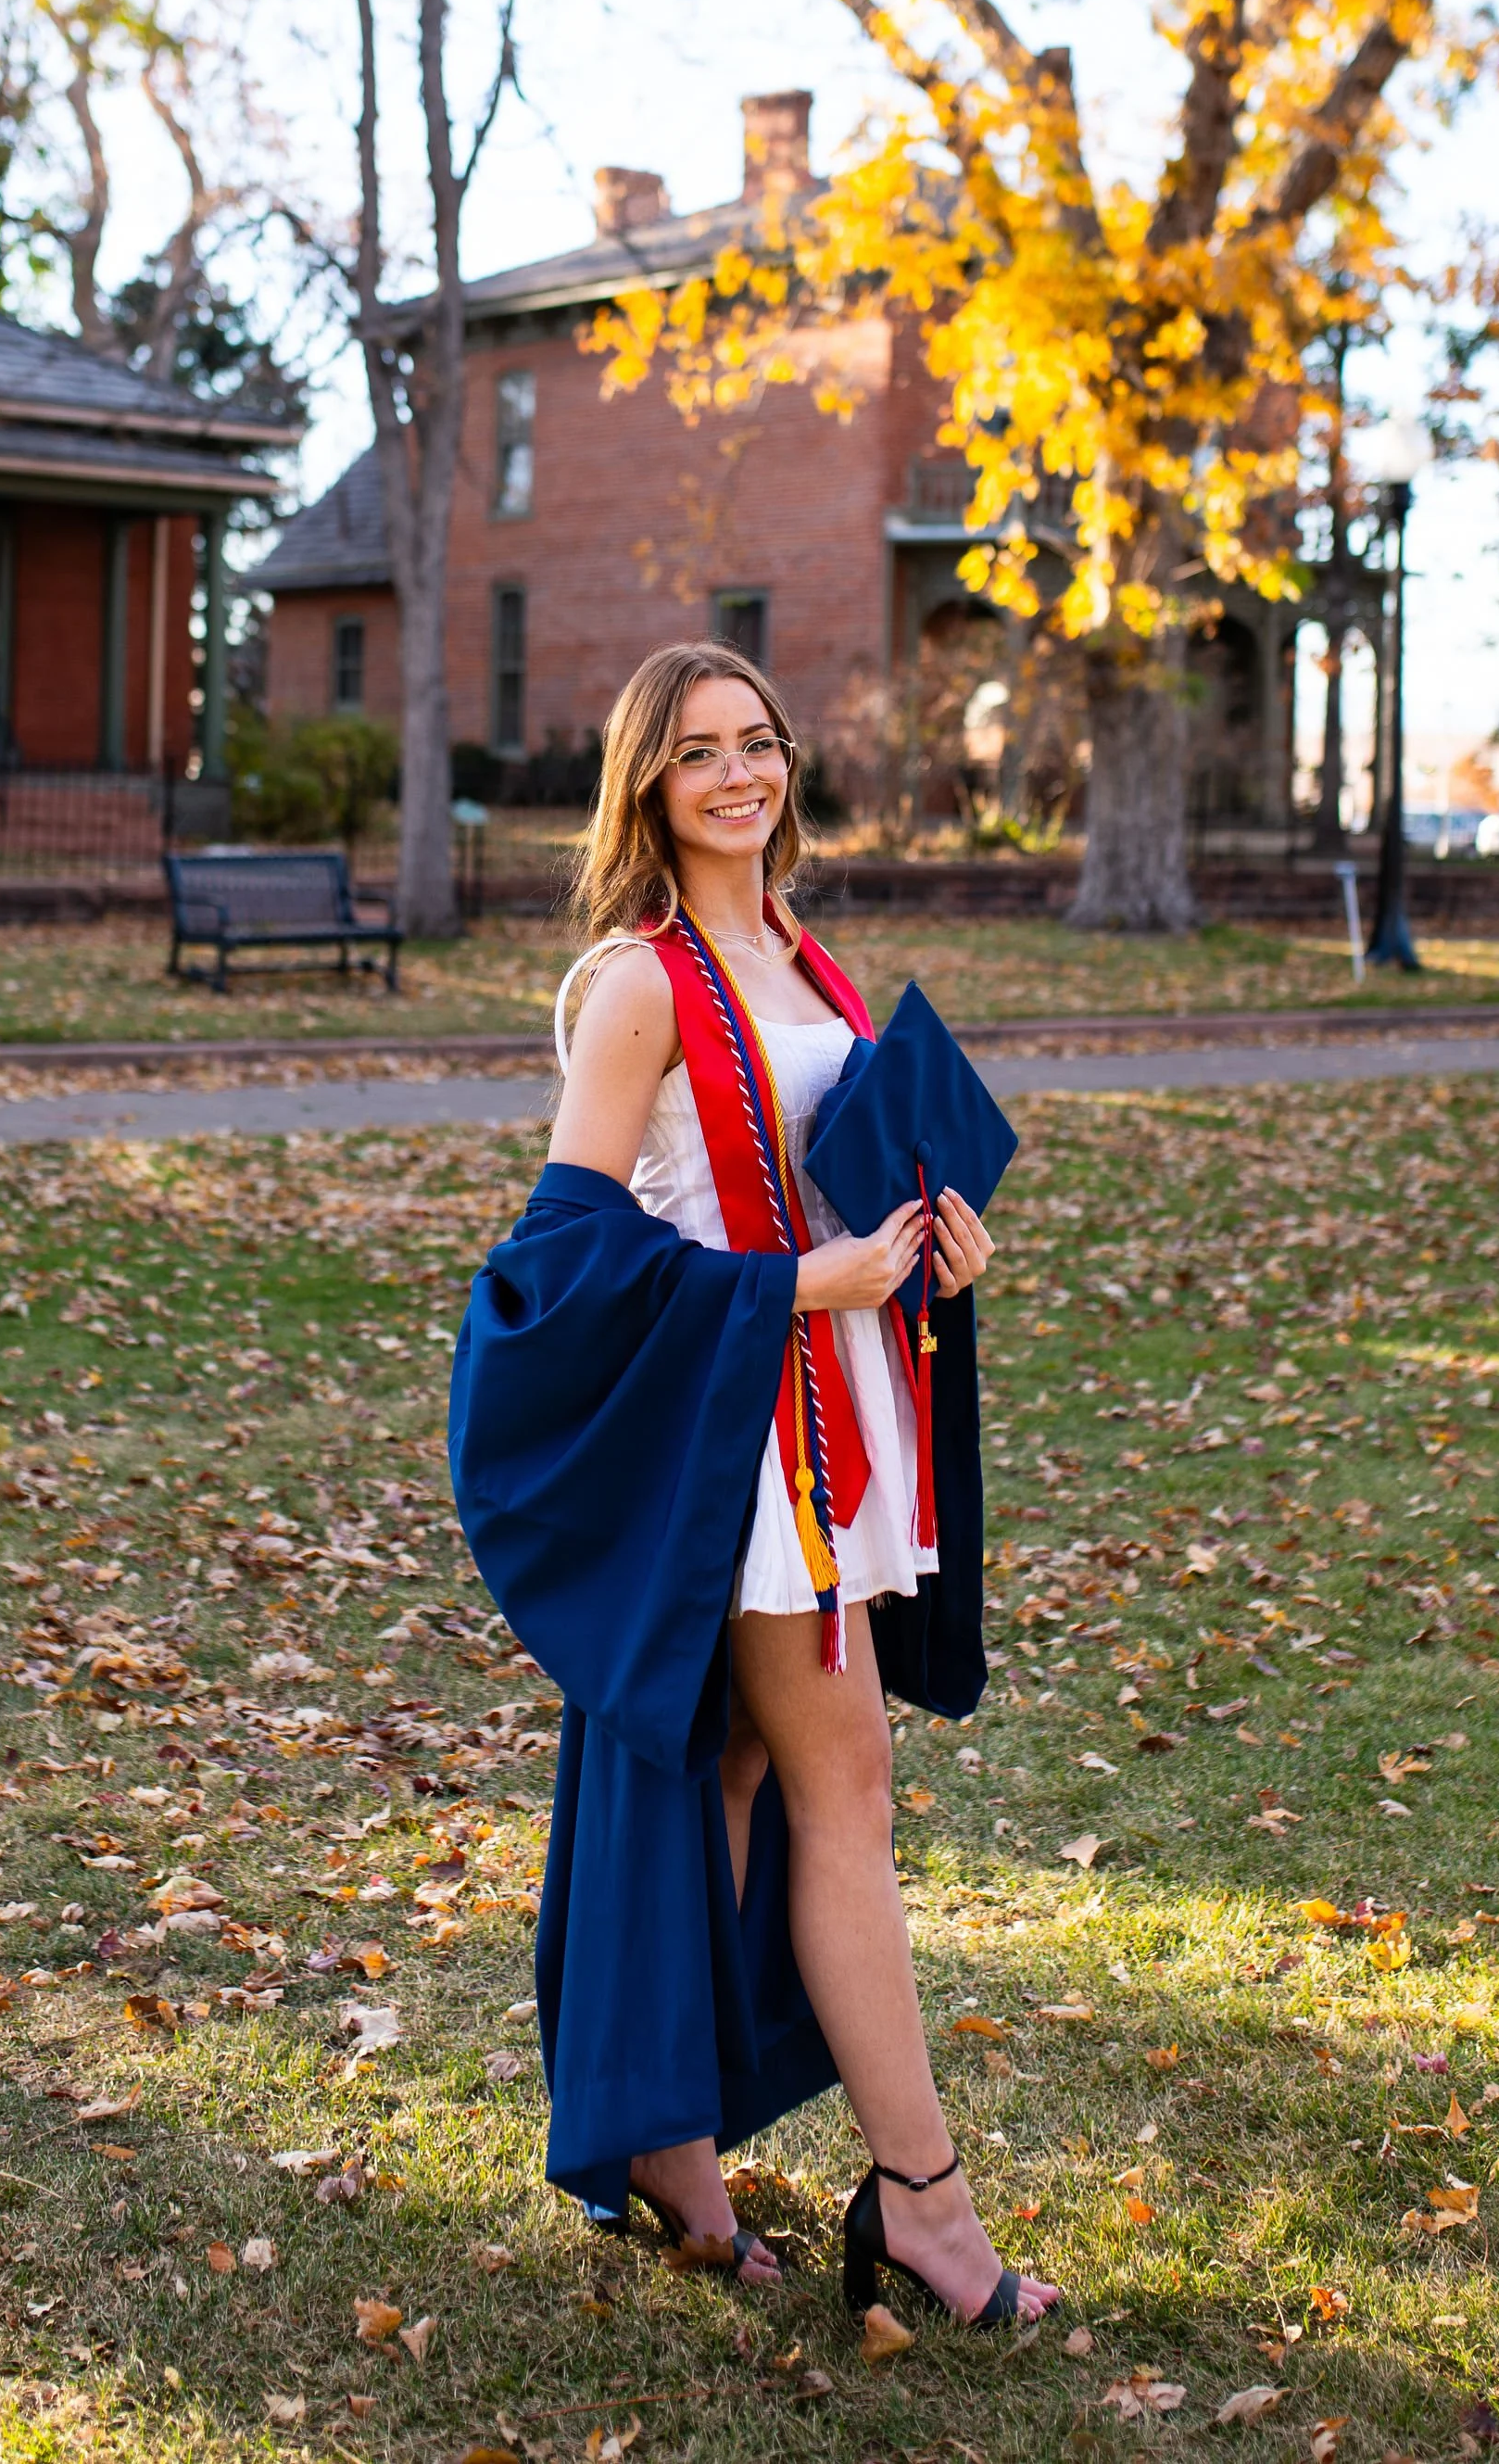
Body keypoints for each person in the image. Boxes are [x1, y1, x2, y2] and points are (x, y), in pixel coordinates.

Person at [449, 641, 1058, 2331]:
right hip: (748, 1434)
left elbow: (849, 1181)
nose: (740, 776)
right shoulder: (637, 983)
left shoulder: (812, 959)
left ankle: (668, 2136)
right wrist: (803, 1286)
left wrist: (938, 1247)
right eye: (701, 751)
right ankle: (926, 2203)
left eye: (761, 744)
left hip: (842, 1402)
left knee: (726, 1774)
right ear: (646, 779)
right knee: (842, 1782)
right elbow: (565, 1254)